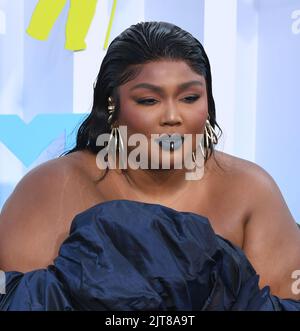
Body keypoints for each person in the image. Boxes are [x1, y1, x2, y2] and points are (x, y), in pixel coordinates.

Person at [0, 21, 299, 311]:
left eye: (190, 97)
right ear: (112, 107)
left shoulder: (250, 190)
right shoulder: (50, 189)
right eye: (149, 100)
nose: (172, 116)